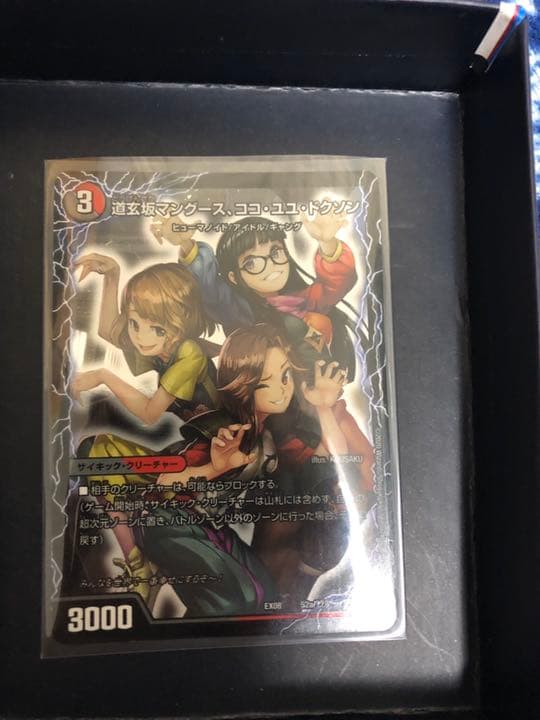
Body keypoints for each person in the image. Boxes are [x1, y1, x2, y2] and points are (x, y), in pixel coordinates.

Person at [151, 210, 358, 380]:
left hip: (315, 389)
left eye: (275, 252)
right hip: (262, 387)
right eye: (251, 263)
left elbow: (336, 283)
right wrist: (186, 244)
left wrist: (328, 243)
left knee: (311, 322)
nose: (271, 267)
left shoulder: (303, 299)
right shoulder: (239, 310)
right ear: (233, 277)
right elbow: (210, 288)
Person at [72, 255, 220, 425]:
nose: (141, 337)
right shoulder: (159, 344)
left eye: (158, 329)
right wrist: (112, 275)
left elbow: (149, 414)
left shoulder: (190, 353)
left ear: (183, 323)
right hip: (188, 425)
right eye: (134, 323)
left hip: (217, 429)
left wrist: (103, 376)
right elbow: (108, 331)